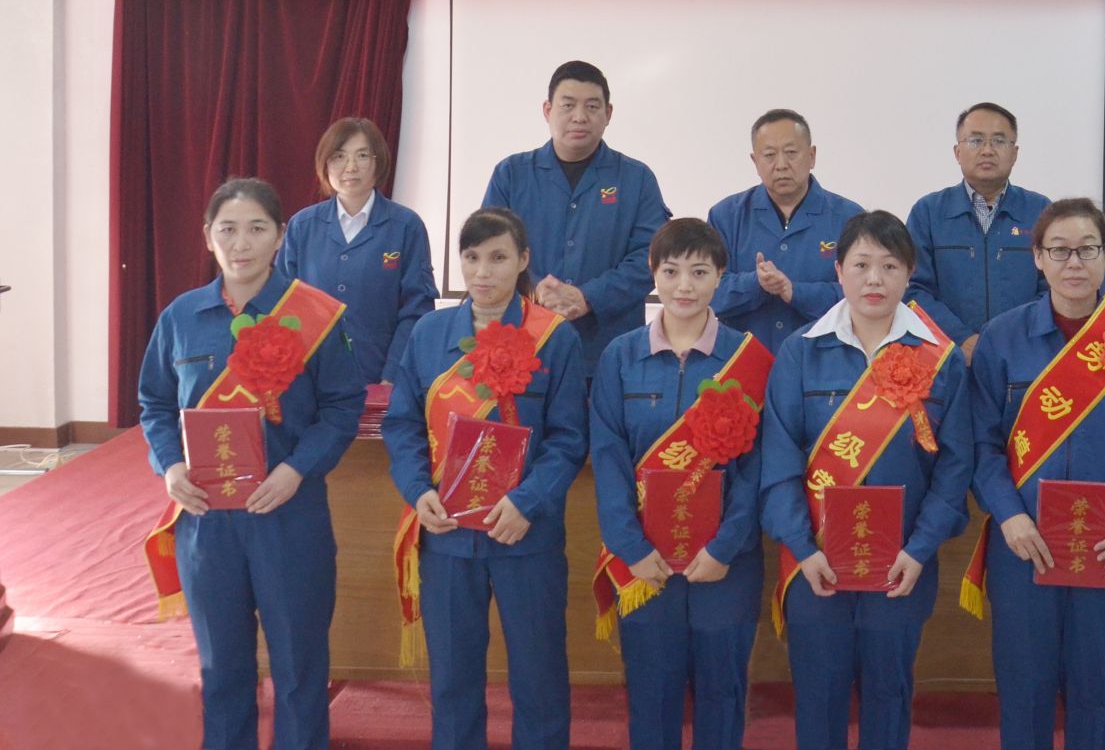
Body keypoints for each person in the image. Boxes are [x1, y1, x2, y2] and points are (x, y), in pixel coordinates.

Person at [139, 177, 365, 750]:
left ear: (280, 235)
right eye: (228, 229)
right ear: (207, 237)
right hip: (206, 520)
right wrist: (170, 467)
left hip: (289, 513)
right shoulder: (181, 317)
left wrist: (297, 469)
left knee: (299, 667)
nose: (241, 244)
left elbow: (342, 409)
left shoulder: (316, 315)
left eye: (257, 228)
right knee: (222, 670)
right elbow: (155, 404)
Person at [966, 197, 1105, 750]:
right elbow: (981, 447)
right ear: (1038, 258)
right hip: (1024, 543)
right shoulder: (1001, 338)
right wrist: (1009, 517)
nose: (1074, 263)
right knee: (1025, 688)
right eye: (1059, 250)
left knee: (1095, 688)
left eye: (1087, 249)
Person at [760, 210, 973, 750]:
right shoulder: (801, 351)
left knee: (889, 694)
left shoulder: (940, 359)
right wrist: (802, 547)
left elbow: (954, 468)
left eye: (889, 265)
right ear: (838, 271)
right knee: (818, 697)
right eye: (861, 265)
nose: (874, 279)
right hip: (815, 564)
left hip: (901, 564)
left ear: (909, 273)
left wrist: (919, 550)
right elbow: (778, 461)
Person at [382, 207, 588, 750]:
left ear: (523, 260)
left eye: (498, 257)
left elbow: (569, 439)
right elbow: (401, 424)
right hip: (448, 536)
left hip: (527, 535)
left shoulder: (555, 339)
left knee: (539, 679)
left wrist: (528, 502)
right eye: (471, 258)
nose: (482, 272)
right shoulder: (429, 334)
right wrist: (418, 492)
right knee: (452, 683)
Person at [589, 218, 776, 750]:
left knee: (722, 693)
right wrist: (629, 546)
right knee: (651, 694)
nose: (684, 286)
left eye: (699, 271)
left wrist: (725, 547)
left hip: (726, 563)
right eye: (671, 271)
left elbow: (759, 468)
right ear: (653, 274)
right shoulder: (620, 356)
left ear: (720, 276)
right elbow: (608, 457)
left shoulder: (749, 360)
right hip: (643, 559)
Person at [482, 60, 671, 375]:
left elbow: (652, 258)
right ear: (547, 110)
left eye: (592, 106)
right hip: (522, 349)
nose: (579, 117)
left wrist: (588, 297)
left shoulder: (637, 179)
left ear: (608, 113)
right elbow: (488, 253)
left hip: (608, 352)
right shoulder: (511, 174)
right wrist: (535, 290)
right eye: (568, 105)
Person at [278, 116, 438, 388]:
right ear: (325, 164)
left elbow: (417, 308)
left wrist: (392, 376)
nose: (350, 167)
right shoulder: (302, 226)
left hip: (379, 379)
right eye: (339, 156)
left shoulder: (406, 226)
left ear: (378, 162)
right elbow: (282, 304)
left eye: (362, 155)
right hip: (310, 380)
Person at [708, 109, 864, 350]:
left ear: (812, 156)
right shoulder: (726, 216)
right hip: (743, 359)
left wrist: (796, 292)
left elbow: (862, 294)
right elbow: (707, 292)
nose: (781, 165)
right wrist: (756, 283)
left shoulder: (849, 218)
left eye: (791, 153)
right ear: (755, 161)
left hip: (824, 358)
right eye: (769, 155)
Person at [906, 102, 1049, 363]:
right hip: (949, 357)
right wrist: (962, 338)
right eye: (976, 141)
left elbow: (1052, 288)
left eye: (999, 141)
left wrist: (1010, 339)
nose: (987, 150)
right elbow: (915, 290)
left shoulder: (1040, 211)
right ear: (957, 152)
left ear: (1015, 153)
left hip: (1023, 356)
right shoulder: (928, 212)